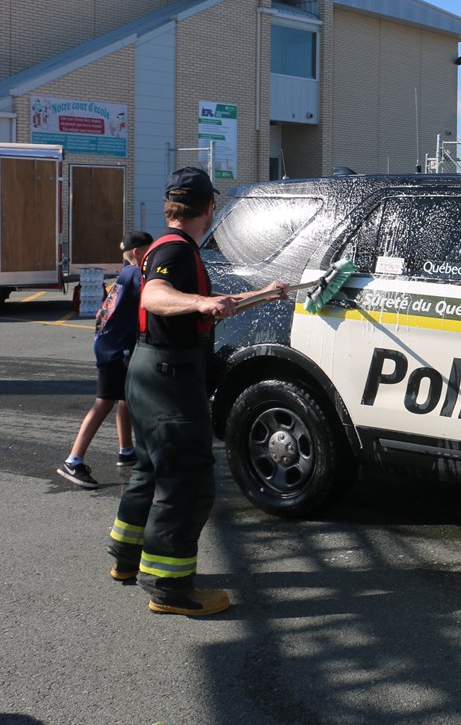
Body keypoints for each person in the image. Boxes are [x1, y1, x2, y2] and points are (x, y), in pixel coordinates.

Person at [107, 167, 288, 616]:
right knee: (186, 479)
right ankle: (171, 589)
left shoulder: (170, 247)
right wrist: (201, 301)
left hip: (150, 370)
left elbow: (203, 313)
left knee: (151, 469)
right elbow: (155, 296)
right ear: (209, 208)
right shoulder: (175, 250)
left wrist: (263, 295)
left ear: (171, 205)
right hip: (169, 377)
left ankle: (126, 560)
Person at [56, 231, 153, 488]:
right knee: (103, 403)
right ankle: (73, 461)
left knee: (124, 398)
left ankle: (126, 450)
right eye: (150, 250)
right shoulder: (136, 274)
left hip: (110, 343)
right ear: (138, 253)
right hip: (115, 349)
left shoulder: (124, 273)